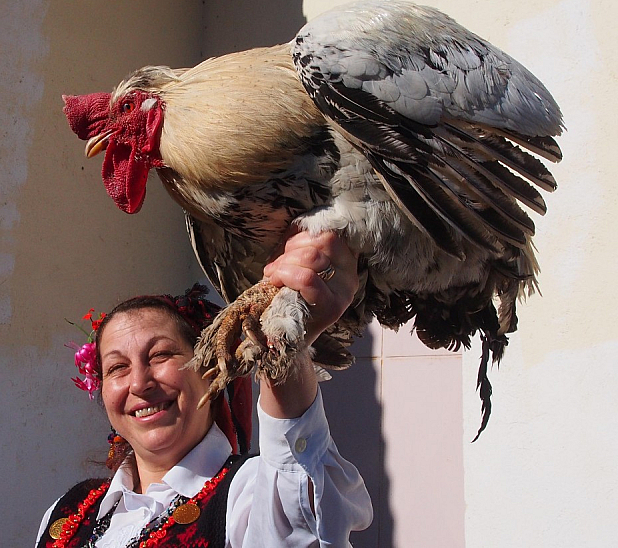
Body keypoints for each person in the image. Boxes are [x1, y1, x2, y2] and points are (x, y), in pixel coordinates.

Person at [36, 231, 373, 547]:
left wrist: (286, 332)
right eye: (118, 368)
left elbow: (294, 487)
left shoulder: (248, 495)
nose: (139, 383)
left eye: (160, 355)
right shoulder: (67, 512)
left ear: (211, 370)